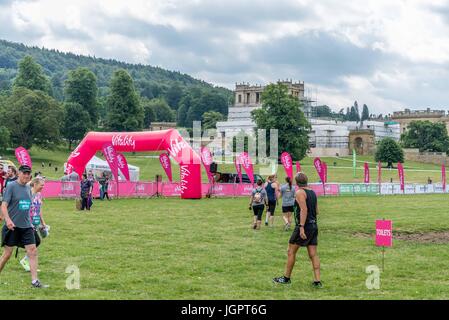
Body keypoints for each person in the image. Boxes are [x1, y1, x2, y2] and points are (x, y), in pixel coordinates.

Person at [0, 165, 48, 288]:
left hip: (26, 226)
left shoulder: (28, 188)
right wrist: (8, 220)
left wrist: (33, 223)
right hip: (12, 226)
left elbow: (27, 207)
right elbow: (4, 206)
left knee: (32, 251)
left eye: (28, 174)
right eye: (24, 173)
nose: (26, 175)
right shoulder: (11, 186)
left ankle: (34, 281)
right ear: (19, 173)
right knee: (7, 254)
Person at [273, 172, 322, 288]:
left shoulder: (300, 192)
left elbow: (303, 210)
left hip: (304, 226)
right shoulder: (312, 192)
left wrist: (301, 227)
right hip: (313, 225)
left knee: (291, 251)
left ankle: (286, 278)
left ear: (296, 181)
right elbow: (317, 211)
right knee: (313, 254)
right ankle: (317, 281)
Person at [19, 177, 48, 272]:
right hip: (27, 223)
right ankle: (26, 261)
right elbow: (23, 209)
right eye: (41, 185)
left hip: (35, 223)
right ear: (35, 184)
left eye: (43, 185)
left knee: (35, 242)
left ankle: (26, 261)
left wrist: (43, 223)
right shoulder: (27, 194)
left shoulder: (39, 195)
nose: (43, 187)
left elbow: (39, 210)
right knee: (36, 242)